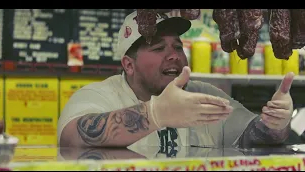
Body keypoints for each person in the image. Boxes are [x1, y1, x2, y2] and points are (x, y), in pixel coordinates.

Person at [58, 10, 294, 149]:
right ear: (128, 65)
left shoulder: (204, 95)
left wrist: (276, 123)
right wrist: (154, 114)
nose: (174, 55)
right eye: (159, 48)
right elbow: (72, 137)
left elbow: (253, 137)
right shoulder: (98, 96)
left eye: (178, 46)